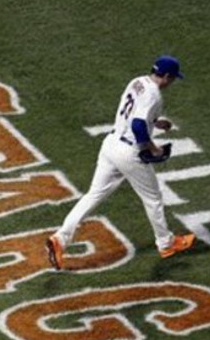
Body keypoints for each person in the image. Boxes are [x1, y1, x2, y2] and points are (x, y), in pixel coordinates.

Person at [46, 55, 196, 270]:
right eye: (172, 78)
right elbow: (137, 125)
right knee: (153, 198)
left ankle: (60, 239)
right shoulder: (155, 95)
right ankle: (167, 243)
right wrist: (153, 148)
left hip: (110, 145)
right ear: (165, 76)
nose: (172, 82)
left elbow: (134, 113)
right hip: (129, 152)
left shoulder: (137, 81)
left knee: (93, 195)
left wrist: (155, 121)